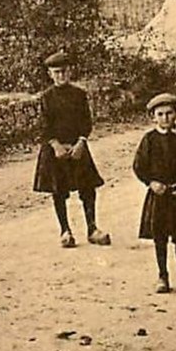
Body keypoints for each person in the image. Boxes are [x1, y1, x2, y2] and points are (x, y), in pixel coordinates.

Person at [32, 50, 109, 249]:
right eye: (56, 72)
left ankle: (92, 229)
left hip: (77, 147)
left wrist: (81, 142)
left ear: (70, 71)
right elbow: (43, 126)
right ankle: (65, 231)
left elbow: (86, 122)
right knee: (59, 190)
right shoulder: (46, 98)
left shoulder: (79, 94)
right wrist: (56, 145)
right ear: (50, 74)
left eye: (64, 71)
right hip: (55, 149)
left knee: (88, 188)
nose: (61, 75)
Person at [133, 92, 176, 294]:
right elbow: (139, 166)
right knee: (160, 236)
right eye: (160, 114)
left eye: (169, 113)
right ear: (153, 117)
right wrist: (151, 182)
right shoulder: (150, 140)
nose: (165, 118)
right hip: (159, 196)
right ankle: (162, 276)